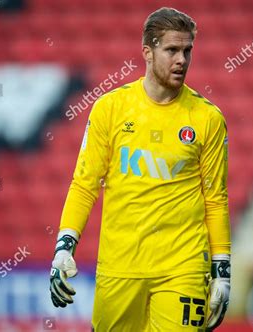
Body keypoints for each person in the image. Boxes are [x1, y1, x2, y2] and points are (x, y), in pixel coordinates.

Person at [49, 7, 231, 331]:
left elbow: (215, 198)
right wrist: (64, 246)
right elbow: (85, 183)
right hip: (120, 266)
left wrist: (222, 270)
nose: (182, 60)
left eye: (187, 51)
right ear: (147, 51)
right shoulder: (110, 109)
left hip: (183, 266)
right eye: (172, 50)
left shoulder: (208, 119)